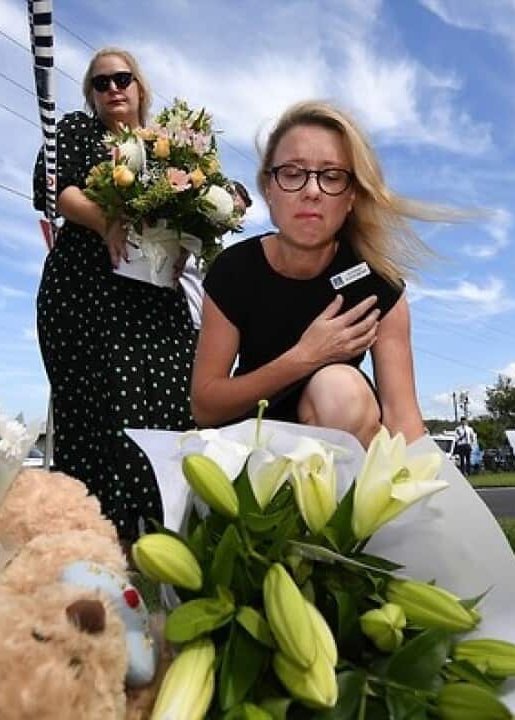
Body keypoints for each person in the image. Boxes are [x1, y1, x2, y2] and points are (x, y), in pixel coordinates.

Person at [192, 101, 445, 445]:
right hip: (250, 450)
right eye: (293, 173)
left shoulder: (379, 285)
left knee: (339, 389)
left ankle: (343, 495)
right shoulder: (234, 270)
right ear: (269, 188)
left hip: (338, 451)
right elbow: (205, 406)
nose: (312, 191)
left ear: (352, 195)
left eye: (331, 176)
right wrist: (305, 357)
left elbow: (403, 417)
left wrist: (421, 491)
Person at [32, 47, 195, 540]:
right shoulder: (78, 132)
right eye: (100, 84)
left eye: (122, 79)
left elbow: (196, 208)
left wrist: (186, 237)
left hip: (154, 295)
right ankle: (98, 542)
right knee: (98, 413)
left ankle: (164, 535)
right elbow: (54, 188)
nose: (113, 89)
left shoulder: (171, 147)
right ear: (92, 96)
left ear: (140, 87)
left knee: (173, 401)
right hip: (85, 292)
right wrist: (109, 223)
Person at [180, 181, 251, 330]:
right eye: (233, 211)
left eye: (239, 215)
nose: (233, 221)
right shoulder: (179, 232)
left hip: (198, 332)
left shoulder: (218, 257)